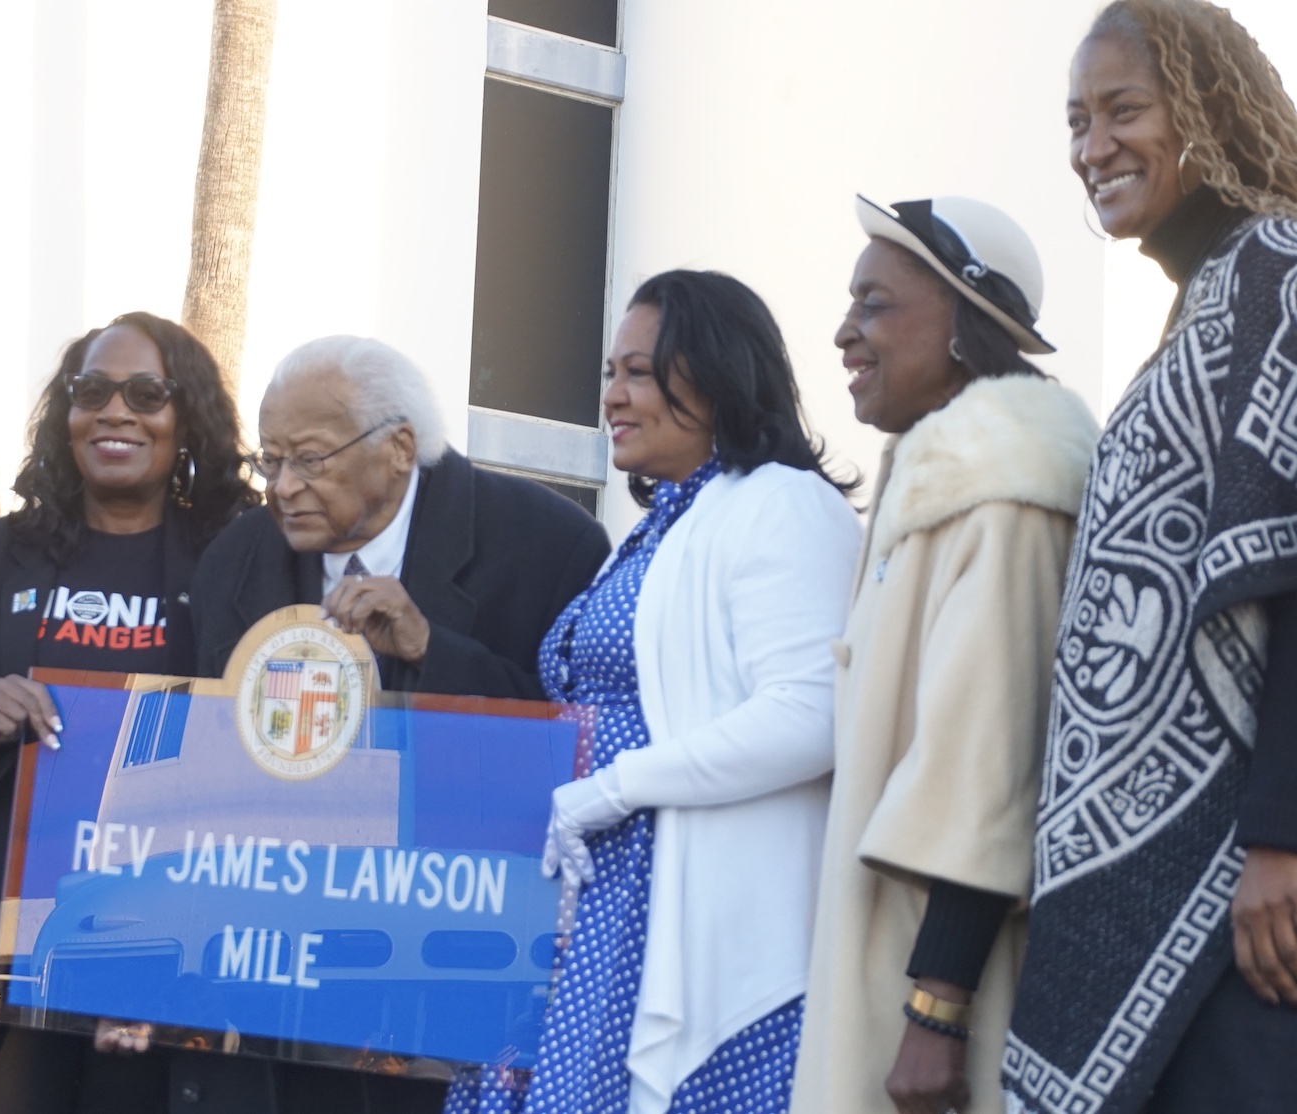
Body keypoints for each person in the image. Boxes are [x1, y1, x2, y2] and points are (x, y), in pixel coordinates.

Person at [1003, 3, 1297, 1112]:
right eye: (1075, 121)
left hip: (1256, 885)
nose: (1091, 146)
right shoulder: (1207, 300)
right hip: (1191, 877)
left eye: (1122, 110)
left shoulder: (1287, 273)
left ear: (1207, 109)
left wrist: (1287, 837)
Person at [444, 270, 862, 1114]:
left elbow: (811, 714)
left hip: (675, 912)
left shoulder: (783, 505)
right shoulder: (661, 524)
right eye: (609, 373)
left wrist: (612, 789)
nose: (612, 397)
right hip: (592, 904)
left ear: (714, 378)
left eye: (639, 372)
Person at [176, 334, 611, 1114]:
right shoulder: (236, 559)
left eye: (307, 458)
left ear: (399, 448)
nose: (281, 486)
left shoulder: (550, 545)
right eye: (267, 460)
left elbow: (574, 748)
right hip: (274, 975)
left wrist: (429, 650)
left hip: (449, 985)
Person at [0, 312, 258, 1112]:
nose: (115, 411)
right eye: (91, 390)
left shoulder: (238, 566)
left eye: (146, 394)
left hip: (158, 969)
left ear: (184, 419)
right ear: (66, 414)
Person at [789, 195, 1099, 1114]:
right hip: (900, 954)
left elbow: (985, 763)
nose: (845, 332)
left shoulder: (1006, 484)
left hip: (939, 978)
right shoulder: (947, 473)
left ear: (968, 326)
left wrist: (937, 1011)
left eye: (876, 304)